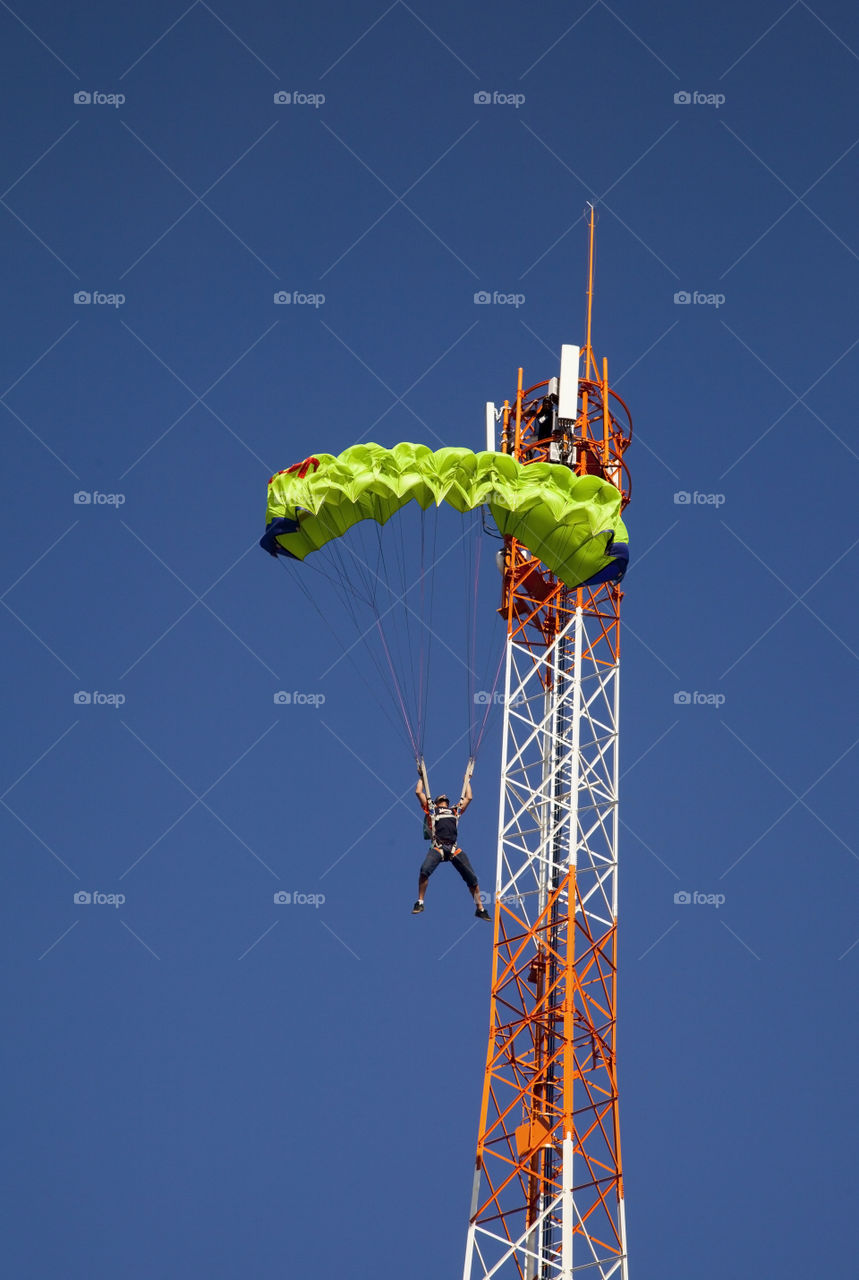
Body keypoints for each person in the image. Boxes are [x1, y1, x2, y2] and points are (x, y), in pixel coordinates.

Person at [412, 772, 490, 920]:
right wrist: (422, 777)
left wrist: (466, 780)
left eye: (445, 798)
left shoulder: (455, 810)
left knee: (472, 878)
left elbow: (469, 797)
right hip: (438, 847)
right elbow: (418, 792)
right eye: (442, 797)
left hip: (454, 848)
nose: (445, 796)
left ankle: (480, 908)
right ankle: (420, 901)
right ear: (437, 802)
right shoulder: (432, 809)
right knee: (424, 870)